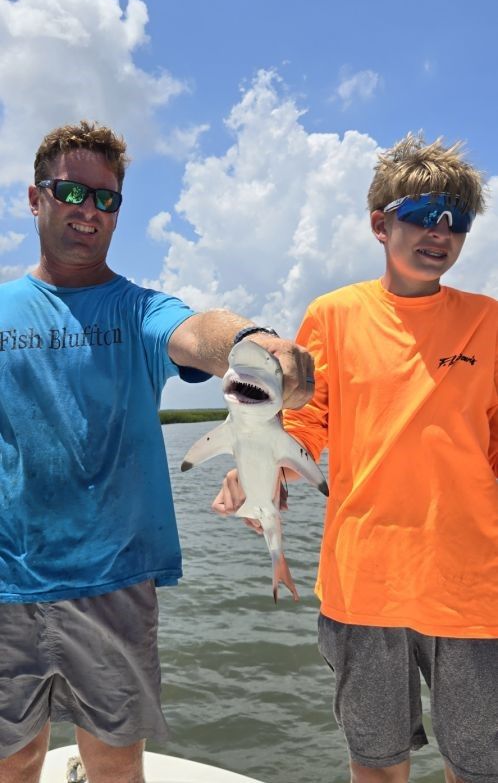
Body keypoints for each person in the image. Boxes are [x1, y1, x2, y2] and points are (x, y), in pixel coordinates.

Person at [0, 121, 314, 783]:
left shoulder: (141, 309)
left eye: (107, 198)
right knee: (14, 759)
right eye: (71, 191)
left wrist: (254, 344)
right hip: (7, 581)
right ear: (34, 198)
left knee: (116, 765)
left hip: (115, 580)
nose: (89, 209)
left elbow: (201, 332)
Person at [214, 134, 498, 783]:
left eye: (456, 218)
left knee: (480, 768)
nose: (440, 231)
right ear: (379, 223)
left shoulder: (490, 321)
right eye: (422, 213)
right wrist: (261, 471)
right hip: (363, 584)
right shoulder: (333, 316)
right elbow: (303, 424)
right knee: (376, 766)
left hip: (474, 588)